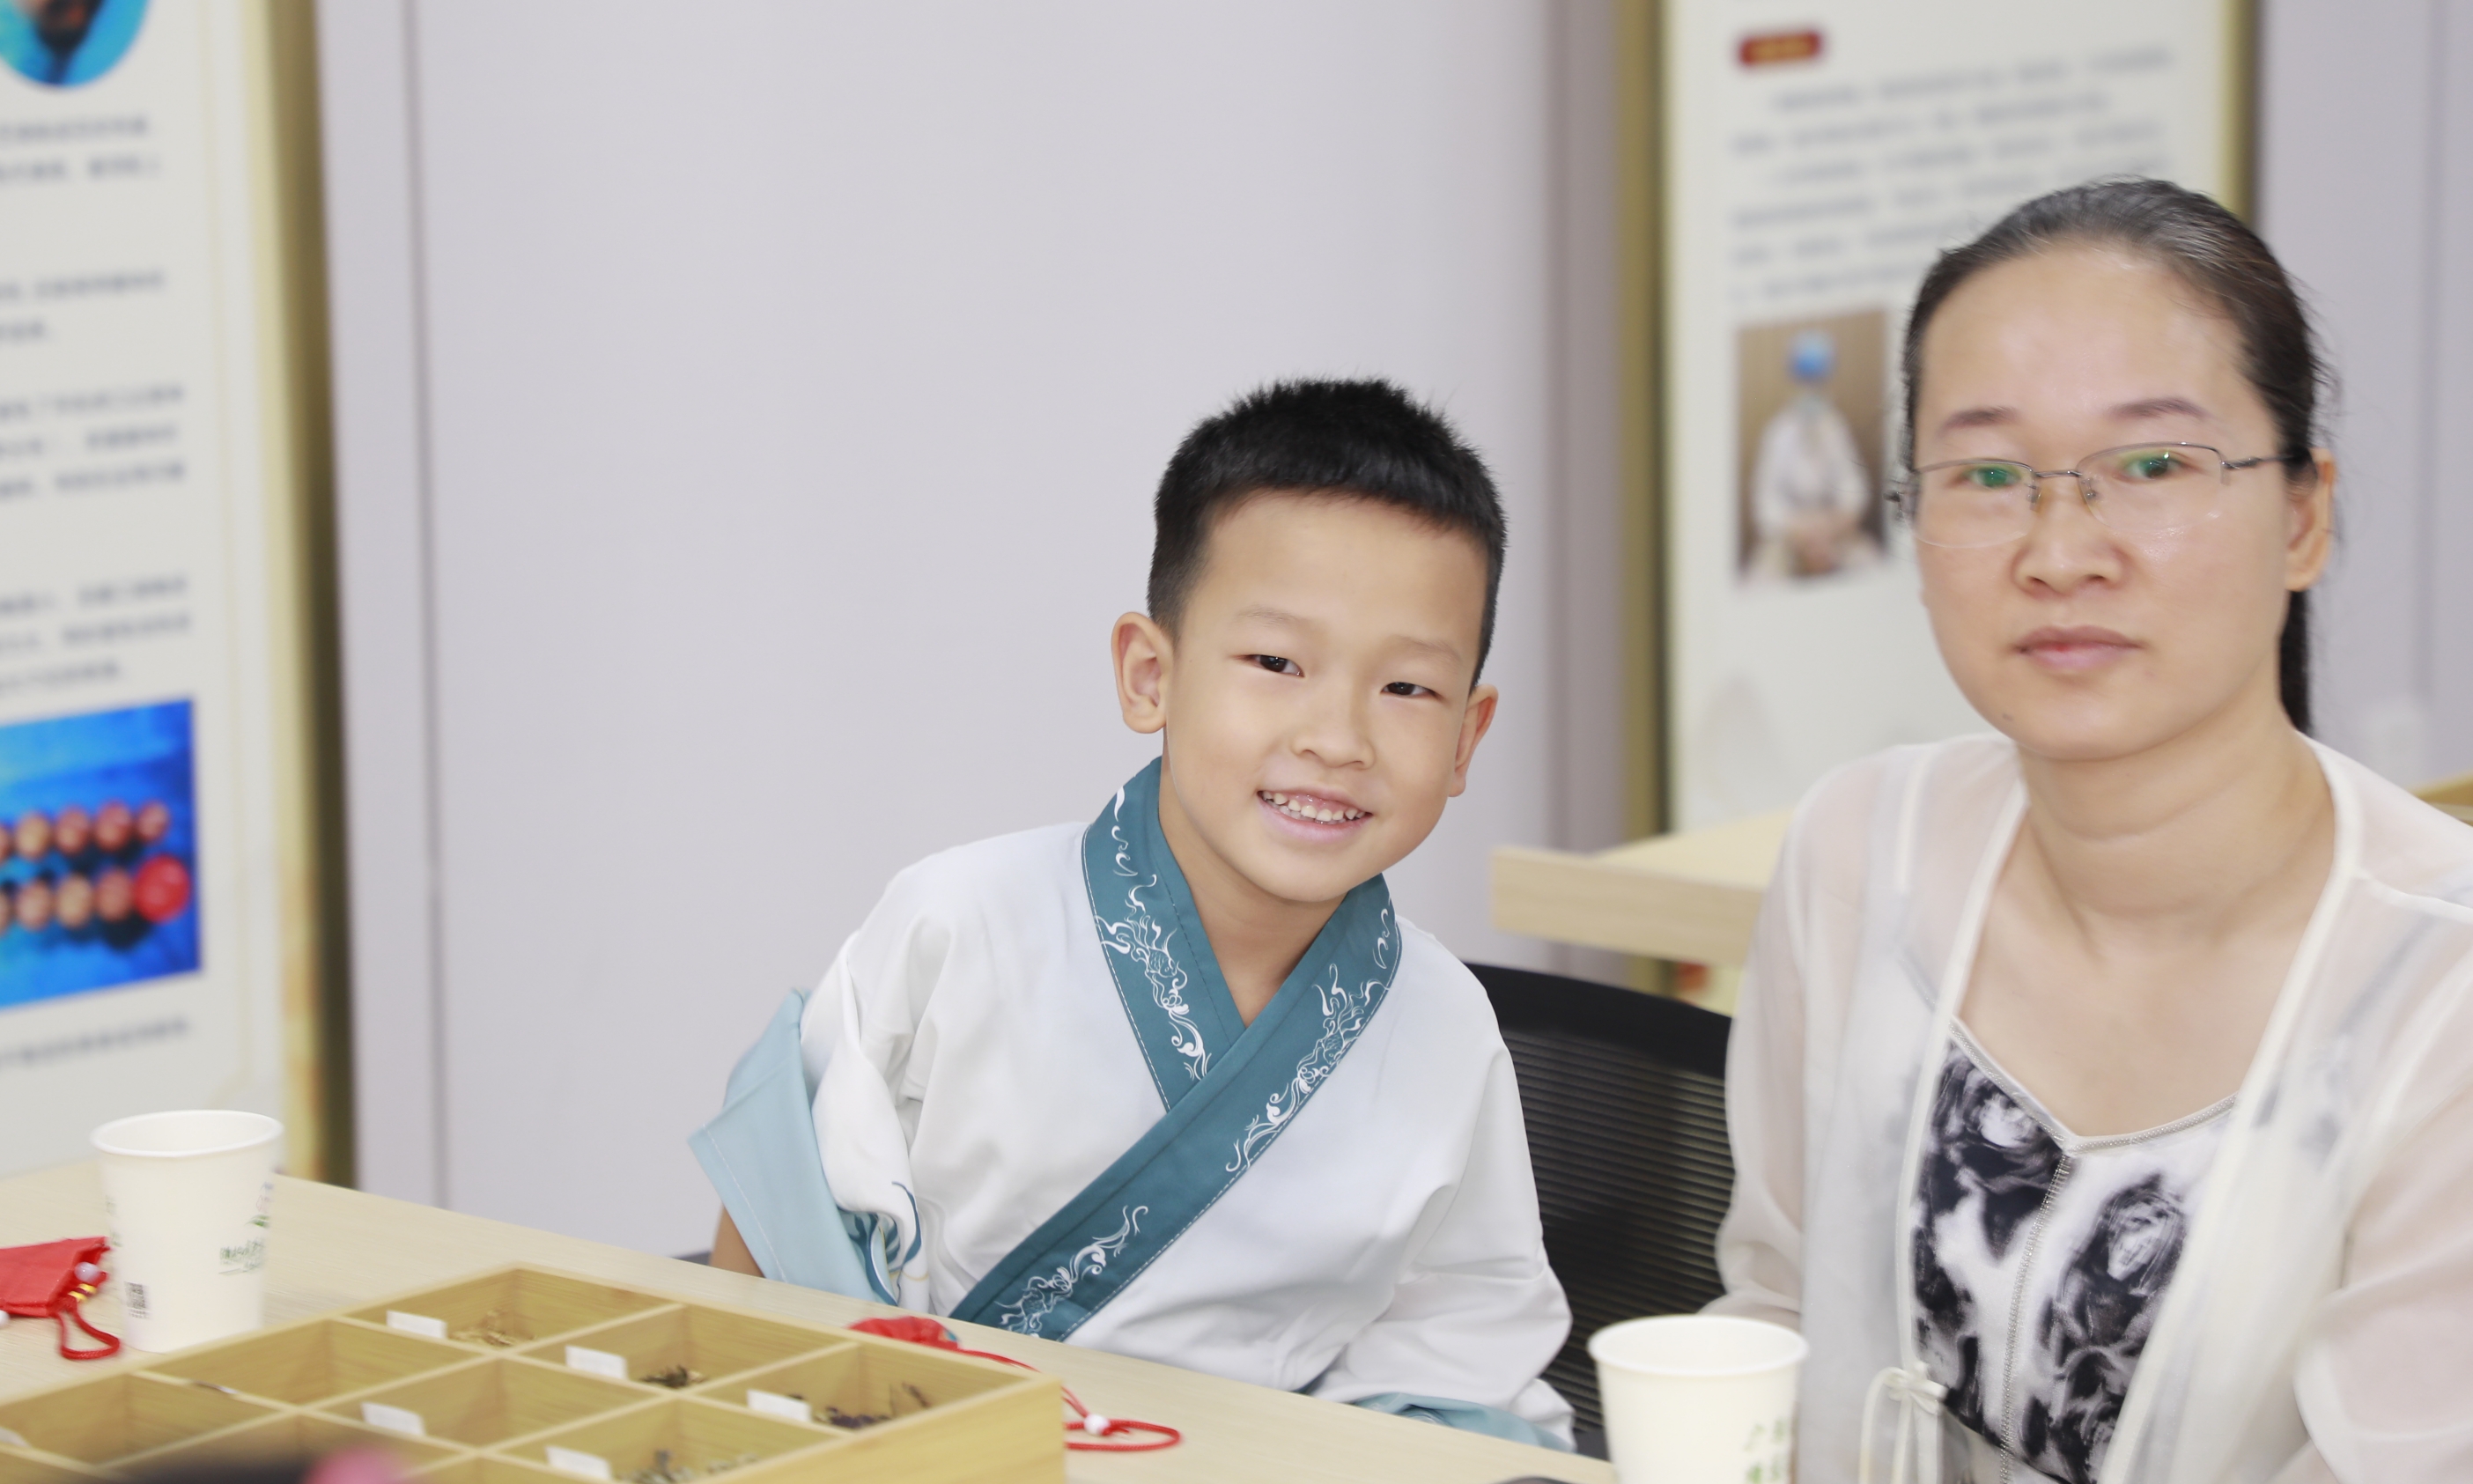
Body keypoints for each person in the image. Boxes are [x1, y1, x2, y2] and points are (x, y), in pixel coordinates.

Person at [1711, 178, 2473, 1483]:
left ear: (2303, 516)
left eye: (2153, 466)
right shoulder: (1860, 849)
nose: (2061, 551)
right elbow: (1773, 1321)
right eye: (1988, 474)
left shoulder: (2441, 983)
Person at [690, 380, 1571, 1444]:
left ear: (1468, 736)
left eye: (1408, 689)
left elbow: (1458, 1357)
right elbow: (778, 1232)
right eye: (1276, 662)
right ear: (1151, 674)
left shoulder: (1447, 1027)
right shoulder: (958, 924)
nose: (1338, 737)